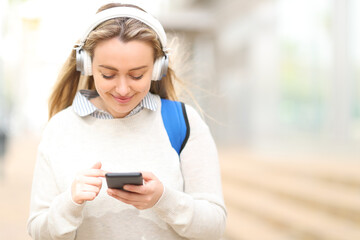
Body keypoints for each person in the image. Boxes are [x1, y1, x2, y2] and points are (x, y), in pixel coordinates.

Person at [27, 3, 226, 240]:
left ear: (157, 68)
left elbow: (215, 228)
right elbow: (37, 232)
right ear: (87, 65)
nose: (122, 89)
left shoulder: (183, 122)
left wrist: (165, 199)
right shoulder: (59, 130)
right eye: (108, 74)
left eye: (136, 75)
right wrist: (69, 204)